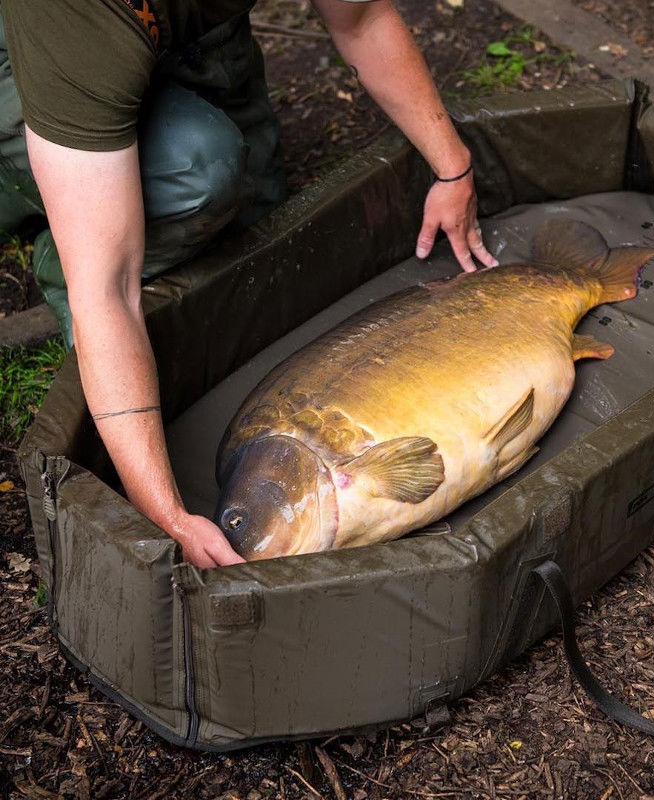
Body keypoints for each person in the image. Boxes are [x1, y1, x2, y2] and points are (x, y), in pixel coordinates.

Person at [1, 0, 498, 568]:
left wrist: (452, 167)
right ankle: (47, 225)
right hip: (44, 48)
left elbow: (360, 18)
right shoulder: (73, 19)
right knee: (200, 173)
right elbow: (108, 292)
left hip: (153, 28)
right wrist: (168, 516)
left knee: (256, 200)